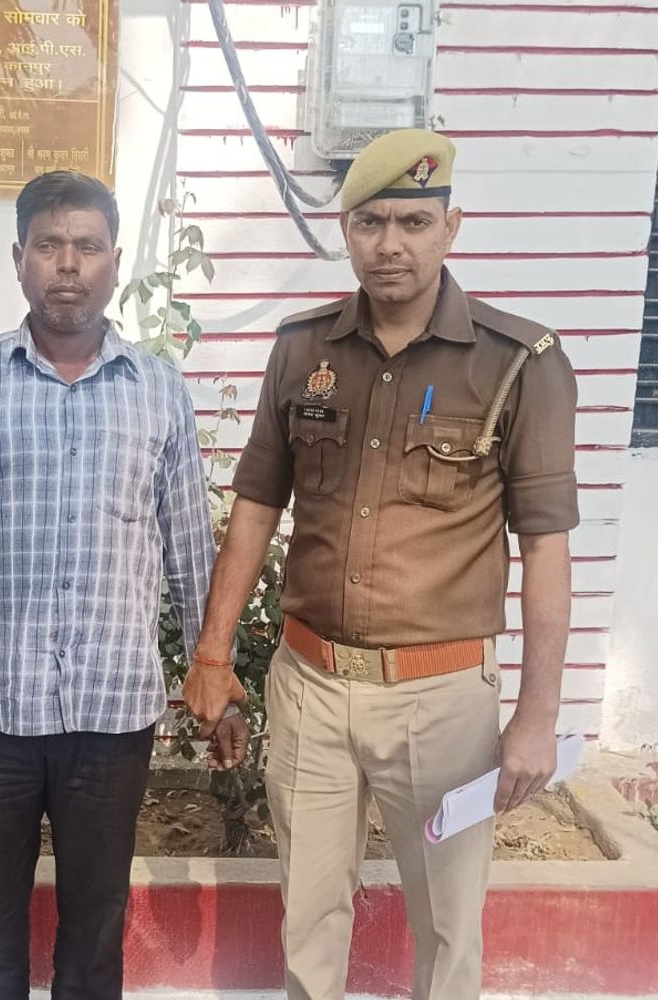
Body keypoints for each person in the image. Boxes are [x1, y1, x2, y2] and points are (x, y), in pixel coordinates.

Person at [182, 129, 577, 1000]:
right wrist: (213, 653)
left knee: (447, 927)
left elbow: (546, 549)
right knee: (308, 919)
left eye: (413, 221)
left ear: (450, 228)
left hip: (441, 700)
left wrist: (538, 714)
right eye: (370, 222)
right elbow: (256, 507)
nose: (390, 243)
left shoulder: (519, 364)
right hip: (311, 687)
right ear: (346, 231)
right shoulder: (303, 349)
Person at [0, 169, 233, 1000]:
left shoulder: (157, 389)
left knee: (94, 929)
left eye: (87, 246)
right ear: (19, 259)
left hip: (112, 717)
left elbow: (190, 550)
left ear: (115, 261)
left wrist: (216, 678)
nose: (69, 264)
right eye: (49, 245)